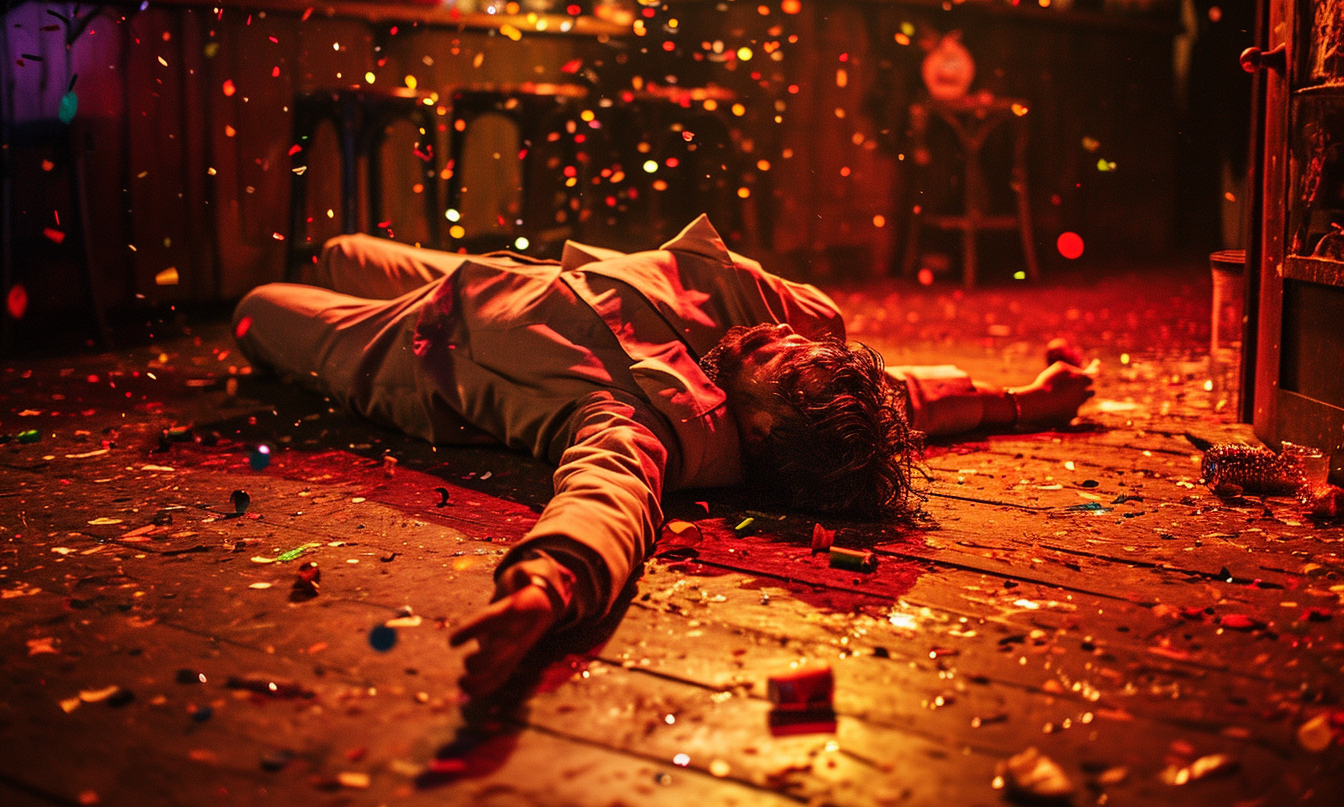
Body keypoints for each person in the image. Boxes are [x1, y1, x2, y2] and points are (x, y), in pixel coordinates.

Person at [233, 216, 1095, 697]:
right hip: (500, 276)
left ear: (757, 431)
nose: (777, 340)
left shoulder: (655, 425)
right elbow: (916, 400)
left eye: (779, 365)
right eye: (792, 348)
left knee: (257, 304)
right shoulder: (803, 359)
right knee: (341, 249)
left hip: (420, 354)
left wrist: (545, 589)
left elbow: (607, 499)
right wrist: (1035, 399)